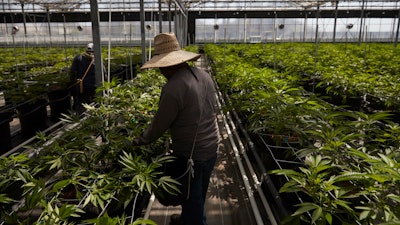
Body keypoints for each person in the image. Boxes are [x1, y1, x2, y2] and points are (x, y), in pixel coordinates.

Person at [133, 32, 220, 225]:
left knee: (193, 199)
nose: (160, 72)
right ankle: (187, 219)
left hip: (192, 154)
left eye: (161, 67)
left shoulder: (173, 87)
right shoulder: (204, 75)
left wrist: (140, 140)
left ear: (169, 65)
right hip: (212, 146)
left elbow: (159, 125)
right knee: (196, 194)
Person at [69, 43, 96, 114]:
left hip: (82, 87)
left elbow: (72, 71)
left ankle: (82, 118)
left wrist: (73, 82)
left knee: (82, 103)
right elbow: (103, 72)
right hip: (94, 86)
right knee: (94, 103)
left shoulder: (78, 58)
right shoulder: (97, 59)